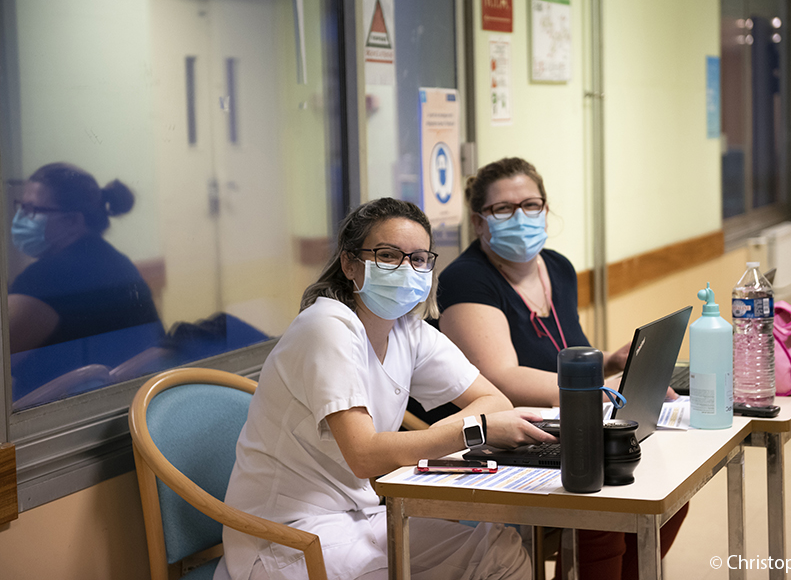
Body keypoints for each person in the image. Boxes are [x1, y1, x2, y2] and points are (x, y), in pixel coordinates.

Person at [218, 197, 555, 580]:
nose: (406, 268)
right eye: (388, 255)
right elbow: (364, 456)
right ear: (349, 264)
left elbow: (494, 400)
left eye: (418, 259)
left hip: (361, 517)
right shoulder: (326, 326)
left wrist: (437, 437)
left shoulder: (408, 329)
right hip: (286, 536)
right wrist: (471, 431)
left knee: (501, 550)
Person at [435, 157, 687, 580]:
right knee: (607, 500)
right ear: (479, 222)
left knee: (666, 489)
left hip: (565, 422)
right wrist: (585, 393)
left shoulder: (557, 267)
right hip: (508, 435)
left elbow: (570, 351)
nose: (520, 216)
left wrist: (610, 362)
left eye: (530, 205)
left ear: (546, 210)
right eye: (503, 209)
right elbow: (500, 376)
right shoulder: (466, 279)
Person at [8, 163, 162, 400]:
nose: (20, 218)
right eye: (21, 206)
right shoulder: (115, 262)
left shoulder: (46, 279)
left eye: (31, 209)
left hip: (61, 425)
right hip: (125, 408)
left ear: (72, 221)